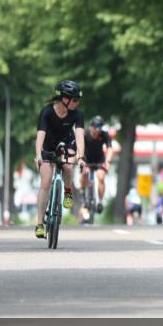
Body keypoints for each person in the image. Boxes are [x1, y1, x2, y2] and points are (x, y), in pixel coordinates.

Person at [33, 80, 85, 238]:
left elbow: (79, 136)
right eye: (75, 100)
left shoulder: (77, 114)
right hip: (48, 145)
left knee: (68, 166)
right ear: (64, 99)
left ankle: (68, 191)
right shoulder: (47, 112)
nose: (77, 103)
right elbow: (40, 136)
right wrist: (38, 155)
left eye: (78, 100)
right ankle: (40, 224)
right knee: (46, 181)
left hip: (67, 142)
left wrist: (80, 157)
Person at [79, 116, 112, 215]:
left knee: (101, 177)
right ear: (91, 127)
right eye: (95, 129)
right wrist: (80, 159)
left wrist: (108, 161)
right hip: (86, 159)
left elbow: (110, 149)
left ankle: (100, 202)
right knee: (85, 173)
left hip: (99, 160)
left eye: (99, 129)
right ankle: (83, 194)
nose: (97, 132)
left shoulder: (104, 135)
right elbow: (79, 148)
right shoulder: (85, 134)